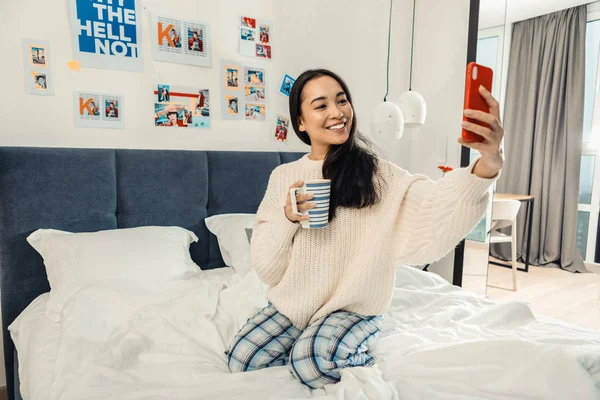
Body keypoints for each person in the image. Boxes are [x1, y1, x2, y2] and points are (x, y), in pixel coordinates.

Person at [226, 69, 504, 389]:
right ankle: (313, 335)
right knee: (242, 361)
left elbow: (433, 204)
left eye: (342, 100)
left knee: (312, 363)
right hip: (296, 301)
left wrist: (488, 162)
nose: (337, 112)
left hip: (354, 306)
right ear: (300, 121)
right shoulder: (283, 177)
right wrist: (287, 220)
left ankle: (353, 352)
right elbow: (267, 267)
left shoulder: (376, 173)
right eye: (321, 105)